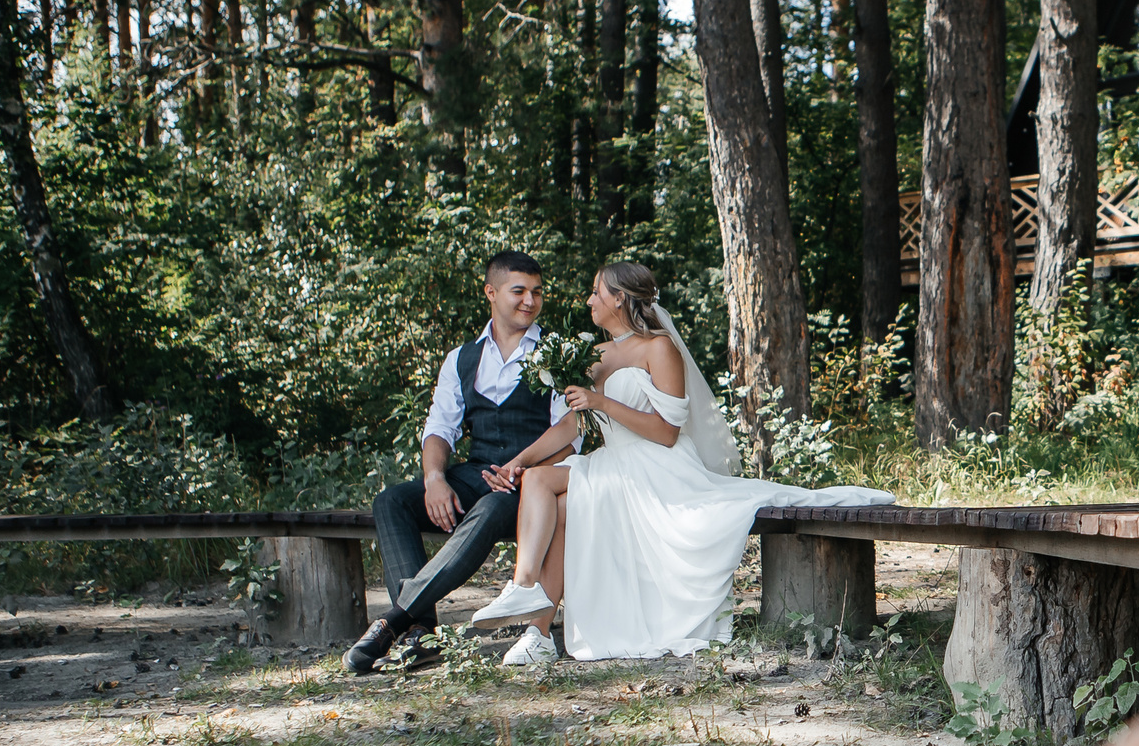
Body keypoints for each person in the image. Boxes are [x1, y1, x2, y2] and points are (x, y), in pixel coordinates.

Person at [463, 261, 893, 663]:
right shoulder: (597, 354)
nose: (589, 301)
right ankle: (531, 617)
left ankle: (531, 613)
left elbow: (667, 432)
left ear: (619, 299)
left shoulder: (659, 348)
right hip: (613, 462)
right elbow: (572, 426)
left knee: (555, 497)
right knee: (539, 481)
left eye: (596, 293)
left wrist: (602, 402)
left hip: (657, 465)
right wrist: (516, 461)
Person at [344, 250, 572, 674]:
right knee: (392, 501)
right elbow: (439, 429)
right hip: (476, 471)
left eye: (537, 293)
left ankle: (395, 621)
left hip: (529, 484)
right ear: (491, 292)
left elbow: (568, 437)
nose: (530, 301)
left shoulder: (557, 354)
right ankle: (422, 635)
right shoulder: (462, 358)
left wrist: (524, 469)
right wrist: (434, 478)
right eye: (518, 291)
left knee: (489, 507)